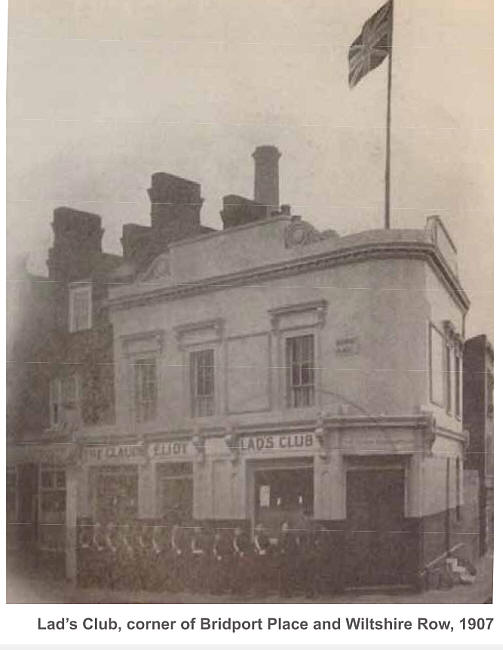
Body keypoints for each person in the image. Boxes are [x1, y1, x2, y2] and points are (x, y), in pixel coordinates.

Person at [277, 521, 298, 597]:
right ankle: (281, 592)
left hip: (289, 559)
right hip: (281, 560)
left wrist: (286, 550)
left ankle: (288, 593)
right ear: (281, 528)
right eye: (284, 527)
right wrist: (280, 551)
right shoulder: (280, 536)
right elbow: (278, 547)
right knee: (281, 576)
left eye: (287, 527)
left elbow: (294, 547)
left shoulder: (292, 537)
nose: (286, 529)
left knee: (288, 576)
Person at [252, 523, 271, 594]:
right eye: (258, 528)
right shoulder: (255, 537)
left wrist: (265, 551)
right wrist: (255, 550)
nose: (259, 529)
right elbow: (253, 546)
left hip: (264, 558)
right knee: (257, 574)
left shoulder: (265, 537)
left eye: (260, 528)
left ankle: (264, 591)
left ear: (262, 529)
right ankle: (258, 590)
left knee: (263, 574)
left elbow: (269, 546)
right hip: (257, 557)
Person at [231, 526, 250, 595]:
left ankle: (242, 590)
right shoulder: (235, 538)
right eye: (235, 530)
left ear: (240, 531)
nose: (235, 532)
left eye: (237, 530)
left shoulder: (244, 538)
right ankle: (238, 590)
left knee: (241, 574)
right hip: (237, 558)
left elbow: (246, 548)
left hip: (242, 558)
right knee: (237, 574)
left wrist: (242, 552)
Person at [77, 521, 93, 588]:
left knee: (86, 566)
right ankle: (82, 582)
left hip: (86, 551)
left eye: (83, 524)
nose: (82, 525)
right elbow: (80, 542)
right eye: (81, 524)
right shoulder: (81, 533)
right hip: (83, 551)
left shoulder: (87, 533)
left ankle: (85, 583)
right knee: (82, 567)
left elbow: (89, 541)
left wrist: (86, 545)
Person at [91, 521, 107, 588]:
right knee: (94, 567)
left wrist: (101, 547)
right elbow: (91, 544)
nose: (97, 529)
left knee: (101, 567)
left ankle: (101, 582)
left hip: (101, 553)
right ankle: (95, 582)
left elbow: (105, 544)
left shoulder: (102, 536)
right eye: (96, 527)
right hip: (94, 553)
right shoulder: (92, 535)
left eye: (98, 528)